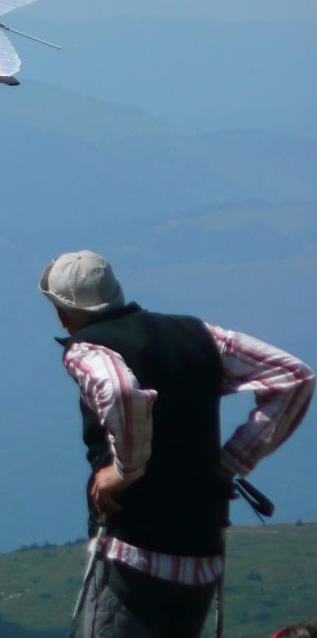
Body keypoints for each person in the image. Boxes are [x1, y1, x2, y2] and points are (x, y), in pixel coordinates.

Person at [40, 250, 314, 638]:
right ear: (117, 292)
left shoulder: (87, 349)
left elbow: (121, 392)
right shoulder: (199, 335)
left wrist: (123, 472)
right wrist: (230, 463)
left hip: (133, 555)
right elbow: (294, 377)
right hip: (201, 557)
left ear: (63, 313)